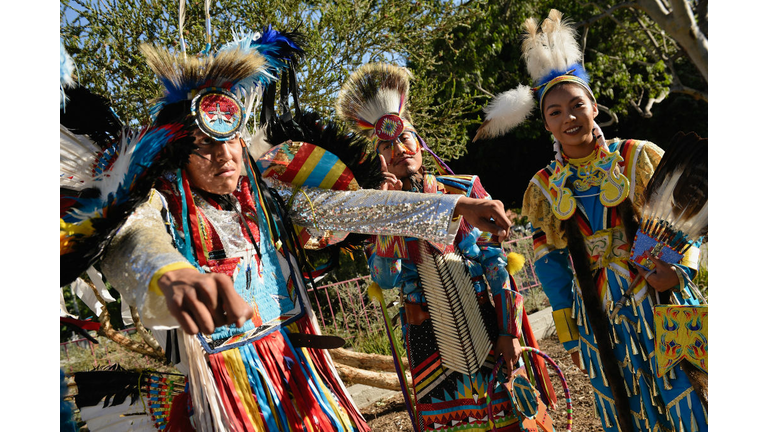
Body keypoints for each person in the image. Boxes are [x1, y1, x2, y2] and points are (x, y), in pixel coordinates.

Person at [72, 28, 513, 432]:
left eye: (230, 141)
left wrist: (455, 205)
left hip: (298, 371)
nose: (223, 156)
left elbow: (349, 209)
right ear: (179, 155)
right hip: (227, 391)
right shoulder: (162, 207)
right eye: (205, 146)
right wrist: (173, 277)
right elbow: (133, 241)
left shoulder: (268, 199)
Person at [474, 9, 707, 432]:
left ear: (593, 106)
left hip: (661, 300)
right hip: (600, 318)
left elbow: (683, 215)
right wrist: (568, 332)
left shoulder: (637, 157)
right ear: (545, 123)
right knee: (624, 407)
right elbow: (550, 266)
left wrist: (677, 270)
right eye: (556, 112)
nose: (569, 118)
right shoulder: (543, 188)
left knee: (690, 398)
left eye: (576, 105)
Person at [336, 63, 555, 432]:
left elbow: (496, 264)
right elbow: (386, 279)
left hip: (487, 324)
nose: (398, 149)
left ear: (420, 143)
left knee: (512, 419)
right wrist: (385, 211)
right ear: (379, 159)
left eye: (404, 138)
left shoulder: (465, 189)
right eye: (386, 146)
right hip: (429, 340)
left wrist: (508, 332)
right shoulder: (378, 207)